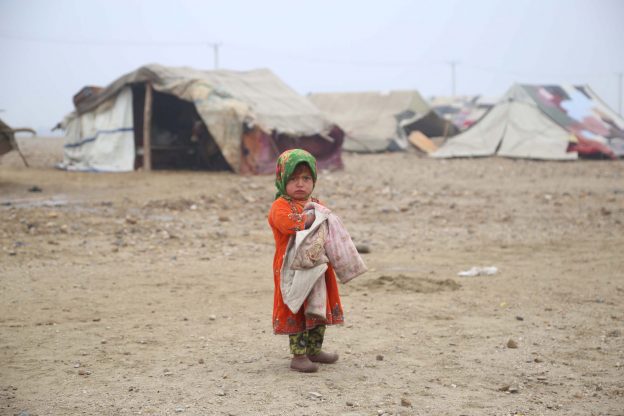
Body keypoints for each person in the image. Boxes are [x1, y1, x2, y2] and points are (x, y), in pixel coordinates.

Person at [268, 149, 343, 373]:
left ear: (314, 180)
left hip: (317, 266)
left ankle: (314, 349)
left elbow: (328, 229)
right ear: (282, 179)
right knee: (297, 306)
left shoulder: (316, 203)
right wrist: (311, 218)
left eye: (306, 178)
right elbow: (288, 224)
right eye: (293, 179)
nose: (300, 184)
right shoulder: (280, 206)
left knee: (318, 305)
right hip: (292, 267)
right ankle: (298, 355)